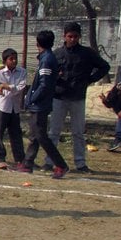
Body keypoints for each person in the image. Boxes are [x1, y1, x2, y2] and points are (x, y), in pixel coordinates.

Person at [44, 22, 110, 173]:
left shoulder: (87, 53)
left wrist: (90, 79)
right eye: (70, 36)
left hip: (78, 97)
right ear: (64, 36)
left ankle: (80, 163)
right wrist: (56, 77)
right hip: (59, 96)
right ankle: (49, 161)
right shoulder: (57, 54)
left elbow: (104, 66)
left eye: (75, 36)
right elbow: (47, 72)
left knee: (78, 133)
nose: (72, 39)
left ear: (79, 37)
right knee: (54, 131)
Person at [13, 31, 69, 178]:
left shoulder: (47, 60)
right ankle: (27, 163)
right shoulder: (46, 58)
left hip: (40, 104)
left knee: (41, 136)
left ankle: (61, 165)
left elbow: (44, 85)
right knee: (34, 135)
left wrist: (31, 98)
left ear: (37, 43)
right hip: (40, 103)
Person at [0, 49, 27, 170]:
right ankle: (0, 159)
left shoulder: (22, 72)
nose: (14, 61)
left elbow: (20, 87)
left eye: (15, 58)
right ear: (5, 61)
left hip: (15, 108)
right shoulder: (0, 73)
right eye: (11, 59)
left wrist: (5, 86)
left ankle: (20, 158)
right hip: (2, 107)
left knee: (16, 134)